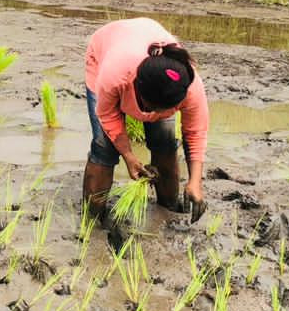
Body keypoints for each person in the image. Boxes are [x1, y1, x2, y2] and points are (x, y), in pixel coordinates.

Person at [83, 17, 210, 226]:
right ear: (136, 87)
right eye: (151, 108)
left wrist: (195, 181)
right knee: (103, 146)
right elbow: (107, 115)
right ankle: (92, 221)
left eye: (167, 110)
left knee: (165, 141)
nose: (155, 115)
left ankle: (167, 213)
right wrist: (128, 156)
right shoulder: (116, 74)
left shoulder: (188, 85)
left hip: (144, 51)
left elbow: (196, 132)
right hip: (104, 52)